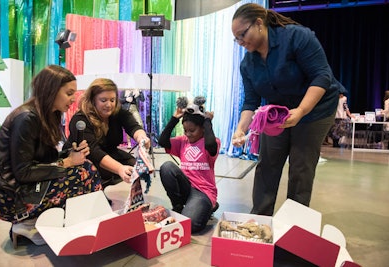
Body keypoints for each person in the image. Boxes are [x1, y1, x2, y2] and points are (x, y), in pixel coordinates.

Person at [231, 3, 340, 216]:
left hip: (315, 109)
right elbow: (251, 102)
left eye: (243, 34)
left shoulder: (297, 37)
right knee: (267, 165)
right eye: (237, 39)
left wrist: (301, 111)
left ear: (259, 24)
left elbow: (322, 76)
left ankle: (294, 224)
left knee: (300, 168)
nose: (241, 42)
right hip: (277, 114)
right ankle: (260, 220)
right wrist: (240, 129)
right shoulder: (248, 64)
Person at [0, 65, 102, 248]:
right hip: (9, 196)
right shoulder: (26, 118)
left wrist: (70, 154)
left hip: (24, 186)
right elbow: (23, 172)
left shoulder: (47, 115)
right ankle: (27, 222)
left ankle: (75, 221)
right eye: (69, 93)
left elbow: (43, 158)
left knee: (86, 167)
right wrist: (66, 162)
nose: (73, 99)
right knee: (82, 174)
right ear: (51, 90)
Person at [64, 78, 150, 188]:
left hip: (109, 152)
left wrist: (141, 138)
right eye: (103, 100)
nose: (109, 105)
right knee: (108, 172)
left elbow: (133, 126)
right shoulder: (80, 120)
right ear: (93, 100)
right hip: (84, 157)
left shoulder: (118, 113)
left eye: (112, 100)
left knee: (135, 166)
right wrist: (119, 168)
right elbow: (94, 152)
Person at [158, 96, 220, 233]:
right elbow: (162, 141)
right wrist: (175, 118)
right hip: (187, 186)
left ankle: (208, 206)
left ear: (203, 129)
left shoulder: (212, 141)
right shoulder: (183, 141)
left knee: (189, 226)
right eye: (186, 130)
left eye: (192, 131)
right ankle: (178, 207)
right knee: (167, 167)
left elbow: (210, 145)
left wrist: (207, 121)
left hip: (203, 191)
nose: (188, 134)